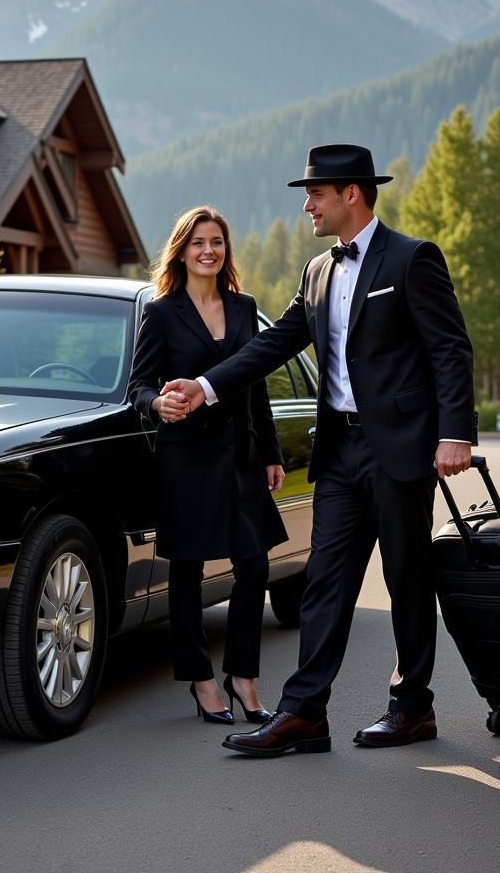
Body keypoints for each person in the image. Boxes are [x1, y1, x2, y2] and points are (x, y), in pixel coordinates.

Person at [161, 144, 476, 756]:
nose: (307, 206)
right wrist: (204, 387)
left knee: (406, 577)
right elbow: (274, 343)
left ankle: (413, 707)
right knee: (325, 581)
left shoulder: (413, 259)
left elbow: (449, 349)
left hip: (401, 449)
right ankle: (306, 713)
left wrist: (454, 433)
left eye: (315, 195)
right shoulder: (317, 270)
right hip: (339, 451)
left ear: (350, 194)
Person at [128, 205, 288, 724]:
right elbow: (139, 387)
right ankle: (200, 681)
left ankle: (242, 676)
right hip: (186, 458)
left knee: (254, 566)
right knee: (189, 572)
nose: (208, 250)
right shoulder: (161, 311)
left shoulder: (244, 307)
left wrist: (270, 452)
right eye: (198, 242)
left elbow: (256, 381)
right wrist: (158, 404)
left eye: (216, 241)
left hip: (240, 455)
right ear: (182, 250)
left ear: (226, 250)